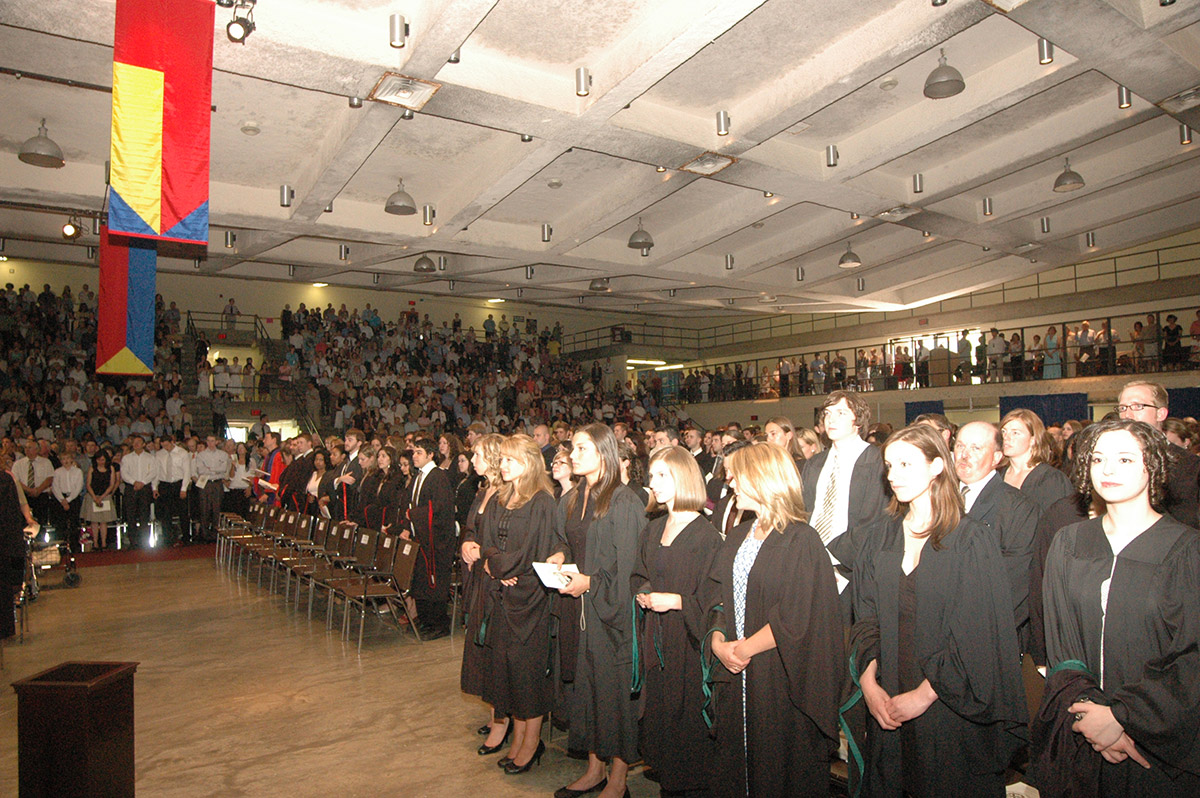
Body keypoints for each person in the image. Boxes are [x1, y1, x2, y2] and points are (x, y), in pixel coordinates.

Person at [850, 424, 1028, 797]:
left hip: (948, 708)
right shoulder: (880, 537)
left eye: (905, 464)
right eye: (889, 465)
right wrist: (869, 684)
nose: (893, 474)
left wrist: (924, 694)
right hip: (886, 696)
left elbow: (978, 634)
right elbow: (865, 617)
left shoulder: (969, 539)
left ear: (936, 467)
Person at [1035, 419, 1200, 796]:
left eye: (1125, 460)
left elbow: (1191, 657)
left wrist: (1122, 718)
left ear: (1153, 466)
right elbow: (1062, 641)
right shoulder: (1069, 543)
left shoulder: (1186, 550)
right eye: (1097, 459)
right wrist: (1089, 710)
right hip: (1082, 730)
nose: (1107, 470)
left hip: (1158, 744)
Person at [703, 442, 844, 797]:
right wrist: (719, 642)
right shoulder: (738, 535)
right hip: (736, 671)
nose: (731, 481)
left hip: (778, 676)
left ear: (764, 478)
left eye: (739, 474)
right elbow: (717, 596)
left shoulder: (801, 540)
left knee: (780, 771)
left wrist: (744, 649)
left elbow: (798, 615)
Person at [550, 423, 646, 798]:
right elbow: (567, 541)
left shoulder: (624, 502)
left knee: (616, 695)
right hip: (582, 614)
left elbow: (629, 572)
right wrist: (560, 556)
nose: (573, 456)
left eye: (581, 449)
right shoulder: (573, 498)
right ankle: (594, 769)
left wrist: (590, 583)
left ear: (604, 453)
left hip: (613, 617)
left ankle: (619, 778)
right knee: (589, 693)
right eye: (573, 449)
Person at [631, 446, 722, 797]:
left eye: (663, 475)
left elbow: (715, 602)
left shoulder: (706, 536)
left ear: (684, 477)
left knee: (687, 738)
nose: (654, 483)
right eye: (652, 476)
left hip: (687, 648)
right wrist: (644, 591)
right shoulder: (653, 530)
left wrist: (679, 602)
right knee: (662, 731)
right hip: (657, 645)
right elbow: (640, 573)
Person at [478, 434, 558, 775]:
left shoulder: (542, 501)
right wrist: (495, 568)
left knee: (528, 676)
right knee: (507, 674)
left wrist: (501, 569)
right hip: (502, 595)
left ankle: (531, 741)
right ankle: (519, 737)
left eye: (510, 460)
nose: (503, 465)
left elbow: (535, 552)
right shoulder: (500, 496)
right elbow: (487, 543)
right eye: (503, 459)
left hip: (529, 600)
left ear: (528, 463)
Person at [954, 421, 1040, 653]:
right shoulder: (938, 499)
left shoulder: (1018, 507)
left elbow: (1016, 583)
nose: (964, 455)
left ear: (997, 458)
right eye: (960, 446)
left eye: (976, 448)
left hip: (984, 635)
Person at [801, 391, 890, 611]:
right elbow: (804, 512)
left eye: (841, 413)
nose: (831, 419)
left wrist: (829, 560)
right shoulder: (815, 464)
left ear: (857, 420)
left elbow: (873, 522)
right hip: (808, 564)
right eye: (828, 413)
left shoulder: (877, 461)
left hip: (850, 570)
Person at [1116, 380, 1200, 527]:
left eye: (1138, 406)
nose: (1127, 415)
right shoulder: (1110, 461)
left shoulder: (1190, 465)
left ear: (1160, 414)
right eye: (1122, 408)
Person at [405, 438, 455, 639]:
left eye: (418, 452)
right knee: (421, 581)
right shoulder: (419, 477)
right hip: (422, 538)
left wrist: (414, 515)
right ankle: (425, 621)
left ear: (430, 454)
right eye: (414, 452)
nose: (414, 456)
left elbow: (439, 508)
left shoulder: (438, 477)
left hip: (437, 540)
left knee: (435, 582)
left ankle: (439, 625)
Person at [999, 408, 1075, 514]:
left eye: (1015, 433)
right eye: (1004, 431)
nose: (1006, 437)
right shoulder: (998, 477)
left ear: (1033, 439)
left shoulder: (1052, 479)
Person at [82, 449, 118, 550]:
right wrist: (95, 497)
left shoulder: (110, 468)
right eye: (99, 460)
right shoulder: (92, 468)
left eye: (102, 460)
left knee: (103, 521)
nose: (101, 462)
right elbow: (88, 484)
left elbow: (112, 484)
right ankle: (95, 543)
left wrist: (102, 497)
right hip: (93, 496)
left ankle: (103, 543)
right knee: (94, 521)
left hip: (105, 496)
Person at [49, 451, 84, 552]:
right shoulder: (57, 472)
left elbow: (78, 487)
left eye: (68, 458)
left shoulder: (78, 472)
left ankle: (74, 546)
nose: (66, 461)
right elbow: (55, 487)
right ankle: (62, 546)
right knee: (61, 523)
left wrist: (68, 500)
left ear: (72, 459)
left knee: (74, 523)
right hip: (60, 498)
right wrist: (62, 500)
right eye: (63, 459)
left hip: (73, 498)